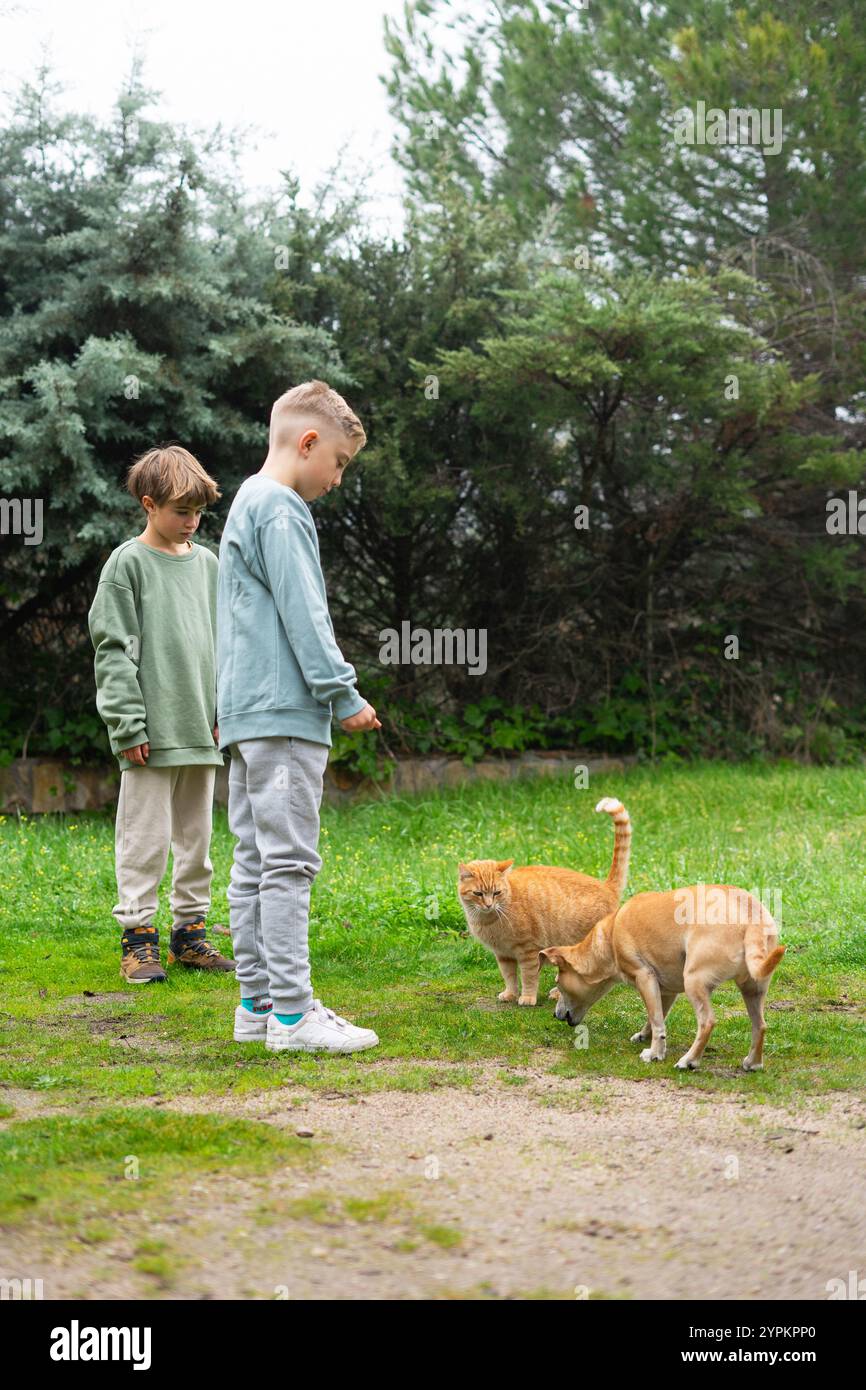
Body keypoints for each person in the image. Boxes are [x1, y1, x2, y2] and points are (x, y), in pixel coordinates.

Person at [217, 380, 381, 1053]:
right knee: (287, 865)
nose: (338, 479)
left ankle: (256, 1008)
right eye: (338, 462)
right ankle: (292, 1016)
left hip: (247, 716)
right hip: (285, 716)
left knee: (255, 863)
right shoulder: (282, 509)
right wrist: (343, 695)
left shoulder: (243, 505)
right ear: (307, 442)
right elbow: (305, 614)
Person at [88, 445, 234, 983]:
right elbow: (112, 649)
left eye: (199, 512)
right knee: (143, 840)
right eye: (181, 511)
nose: (191, 522)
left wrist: (225, 712)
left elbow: (225, 645)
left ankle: (190, 935)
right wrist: (127, 725)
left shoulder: (210, 565)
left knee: (197, 842)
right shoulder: (126, 563)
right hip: (149, 735)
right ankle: (138, 938)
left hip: (202, 731)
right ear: (149, 504)